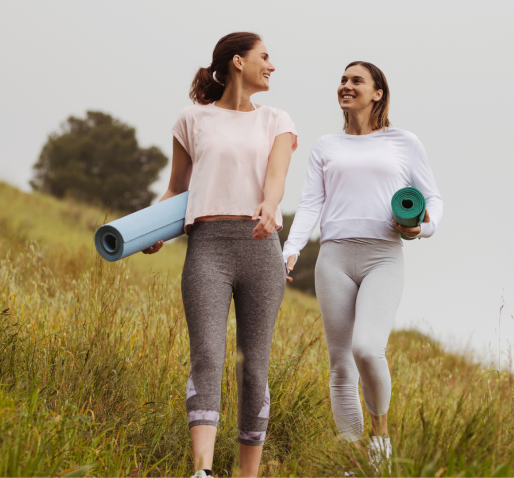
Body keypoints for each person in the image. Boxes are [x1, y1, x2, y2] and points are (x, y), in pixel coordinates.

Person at [143, 32, 296, 478]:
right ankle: (202, 471)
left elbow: (277, 178)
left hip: (260, 246)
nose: (271, 65)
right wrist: (153, 230)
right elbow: (177, 189)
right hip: (207, 248)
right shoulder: (193, 119)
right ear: (237, 62)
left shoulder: (277, 120)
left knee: (254, 366)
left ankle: (248, 475)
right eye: (264, 57)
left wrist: (269, 206)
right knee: (207, 355)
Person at [283, 61, 443, 472]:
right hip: (334, 256)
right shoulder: (325, 146)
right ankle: (353, 461)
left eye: (357, 80)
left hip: (383, 256)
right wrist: (292, 248)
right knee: (340, 366)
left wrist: (423, 229)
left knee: (368, 349)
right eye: (343, 80)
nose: (346, 85)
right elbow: (310, 204)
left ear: (378, 93)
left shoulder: (404, 142)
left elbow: (433, 199)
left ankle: (380, 438)